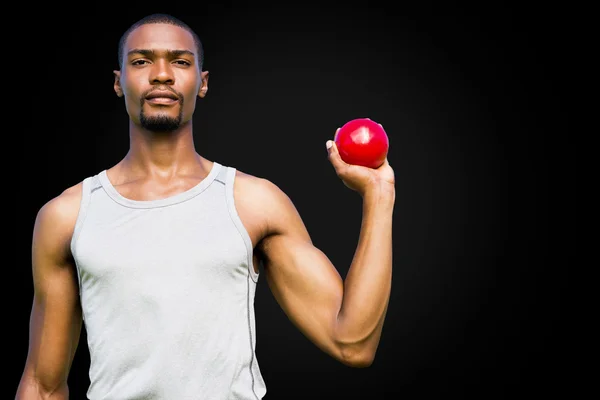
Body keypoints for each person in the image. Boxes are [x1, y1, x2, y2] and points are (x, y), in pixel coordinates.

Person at [16, 13, 395, 400]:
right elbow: (43, 386)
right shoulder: (67, 215)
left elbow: (352, 343)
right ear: (119, 82)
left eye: (180, 62)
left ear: (202, 83)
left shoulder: (253, 202)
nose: (161, 74)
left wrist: (379, 196)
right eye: (142, 61)